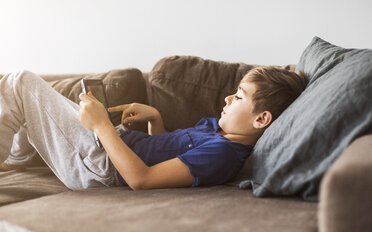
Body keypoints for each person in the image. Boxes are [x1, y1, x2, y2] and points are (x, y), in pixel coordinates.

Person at [0, 67, 307, 190]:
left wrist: (103, 126)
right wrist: (155, 120)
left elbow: (141, 178)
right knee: (31, 104)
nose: (228, 98)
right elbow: (166, 154)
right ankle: (11, 160)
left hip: (101, 167)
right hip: (108, 148)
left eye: (239, 96)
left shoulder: (223, 154)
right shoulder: (218, 132)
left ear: (261, 119)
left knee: (20, 82)